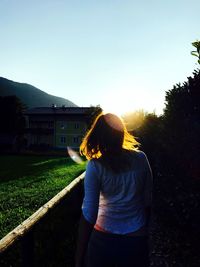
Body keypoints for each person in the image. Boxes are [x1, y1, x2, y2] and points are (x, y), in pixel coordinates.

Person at [75, 113, 153, 267]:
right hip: (136, 239)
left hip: (103, 241)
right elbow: (147, 201)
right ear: (122, 133)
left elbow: (89, 214)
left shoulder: (95, 166)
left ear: (97, 135)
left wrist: (78, 259)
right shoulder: (141, 158)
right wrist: (144, 232)